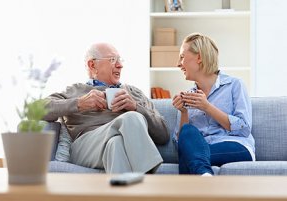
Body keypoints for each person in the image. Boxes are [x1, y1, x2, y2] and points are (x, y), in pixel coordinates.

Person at [43, 42, 169, 173]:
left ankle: (122, 192)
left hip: (114, 145)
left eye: (120, 60)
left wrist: (136, 107)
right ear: (92, 65)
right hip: (86, 147)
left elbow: (163, 134)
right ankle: (151, 181)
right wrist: (79, 103)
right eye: (113, 60)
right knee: (131, 118)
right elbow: (36, 110)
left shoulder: (134, 93)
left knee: (116, 144)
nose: (120, 65)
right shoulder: (75, 90)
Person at [172, 33, 255, 176]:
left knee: (189, 157)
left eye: (182, 57)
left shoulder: (234, 85)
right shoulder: (188, 96)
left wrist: (207, 107)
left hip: (235, 145)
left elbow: (244, 128)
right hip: (201, 149)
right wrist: (183, 112)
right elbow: (181, 143)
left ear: (199, 57)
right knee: (188, 132)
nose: (178, 64)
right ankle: (205, 176)